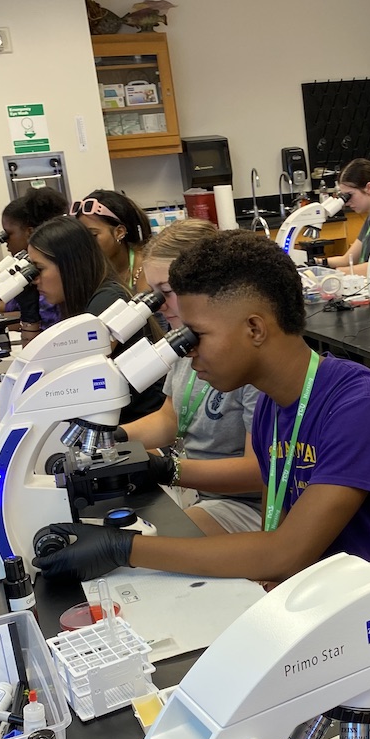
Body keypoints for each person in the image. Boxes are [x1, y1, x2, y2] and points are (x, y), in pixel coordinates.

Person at [34, 230, 370, 714]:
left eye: (196, 335)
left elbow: (285, 550)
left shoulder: (359, 403)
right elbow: (276, 514)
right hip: (304, 602)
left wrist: (125, 548)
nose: (185, 351)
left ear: (255, 328)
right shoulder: (270, 404)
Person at [118, 219, 263, 537]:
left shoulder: (245, 357)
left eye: (166, 292)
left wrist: (168, 469)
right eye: (153, 294)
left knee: (159, 543)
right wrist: (111, 439)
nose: (157, 306)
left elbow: (258, 473)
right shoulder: (182, 341)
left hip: (253, 506)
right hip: (203, 493)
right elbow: (169, 419)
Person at [24, 215, 165, 421]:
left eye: (39, 268)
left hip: (136, 429)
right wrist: (29, 313)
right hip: (111, 423)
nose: (34, 279)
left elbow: (68, 381)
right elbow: (37, 367)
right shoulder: (82, 302)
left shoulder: (108, 301)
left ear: (69, 266)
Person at [0, 187, 69, 342]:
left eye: (8, 234)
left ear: (30, 232)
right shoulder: (31, 267)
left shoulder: (50, 277)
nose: (5, 242)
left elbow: (41, 317)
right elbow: (4, 305)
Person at [70, 189, 151, 293]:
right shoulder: (87, 273)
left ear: (119, 232)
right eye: (81, 236)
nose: (85, 244)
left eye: (93, 236)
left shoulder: (149, 270)